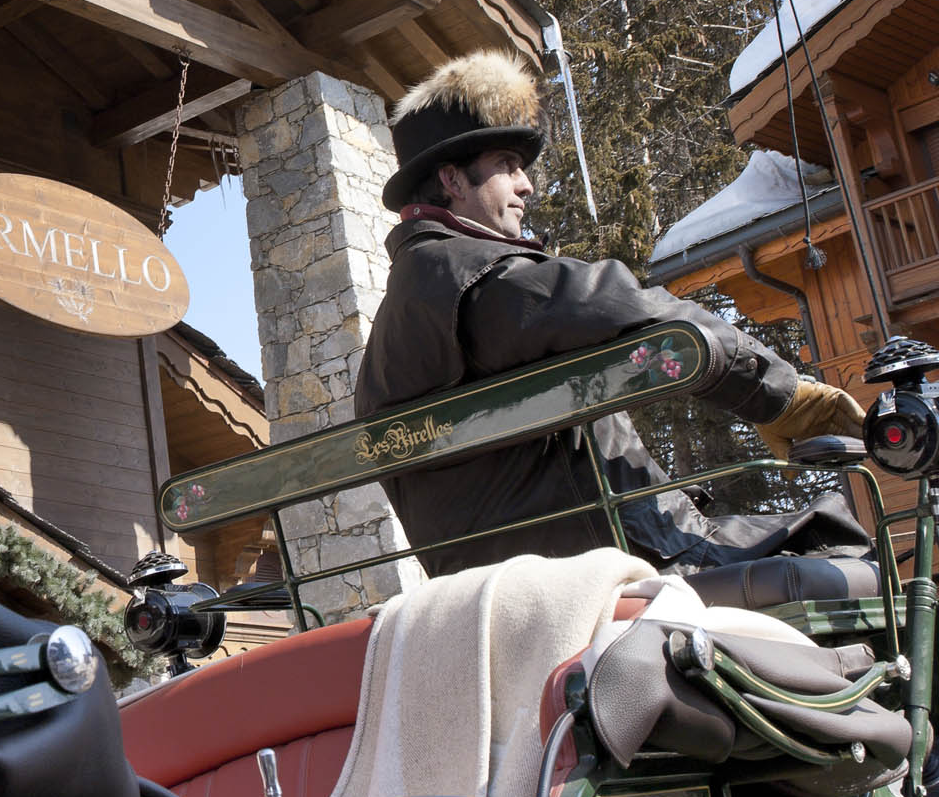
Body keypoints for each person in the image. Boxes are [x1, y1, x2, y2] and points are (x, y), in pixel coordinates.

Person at [353, 49, 871, 578]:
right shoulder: (486, 282)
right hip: (622, 560)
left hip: (517, 579)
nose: (526, 184)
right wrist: (784, 398)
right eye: (507, 166)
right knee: (847, 557)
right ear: (453, 181)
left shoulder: (405, 318)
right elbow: (637, 311)